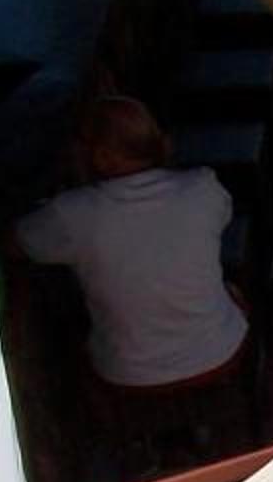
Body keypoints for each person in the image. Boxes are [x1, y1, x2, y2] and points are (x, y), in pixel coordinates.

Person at [13, 97, 248, 390]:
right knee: (227, 289)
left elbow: (17, 244)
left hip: (128, 374)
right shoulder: (203, 186)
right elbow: (220, 218)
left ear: (100, 156)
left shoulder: (71, 214)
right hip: (221, 351)